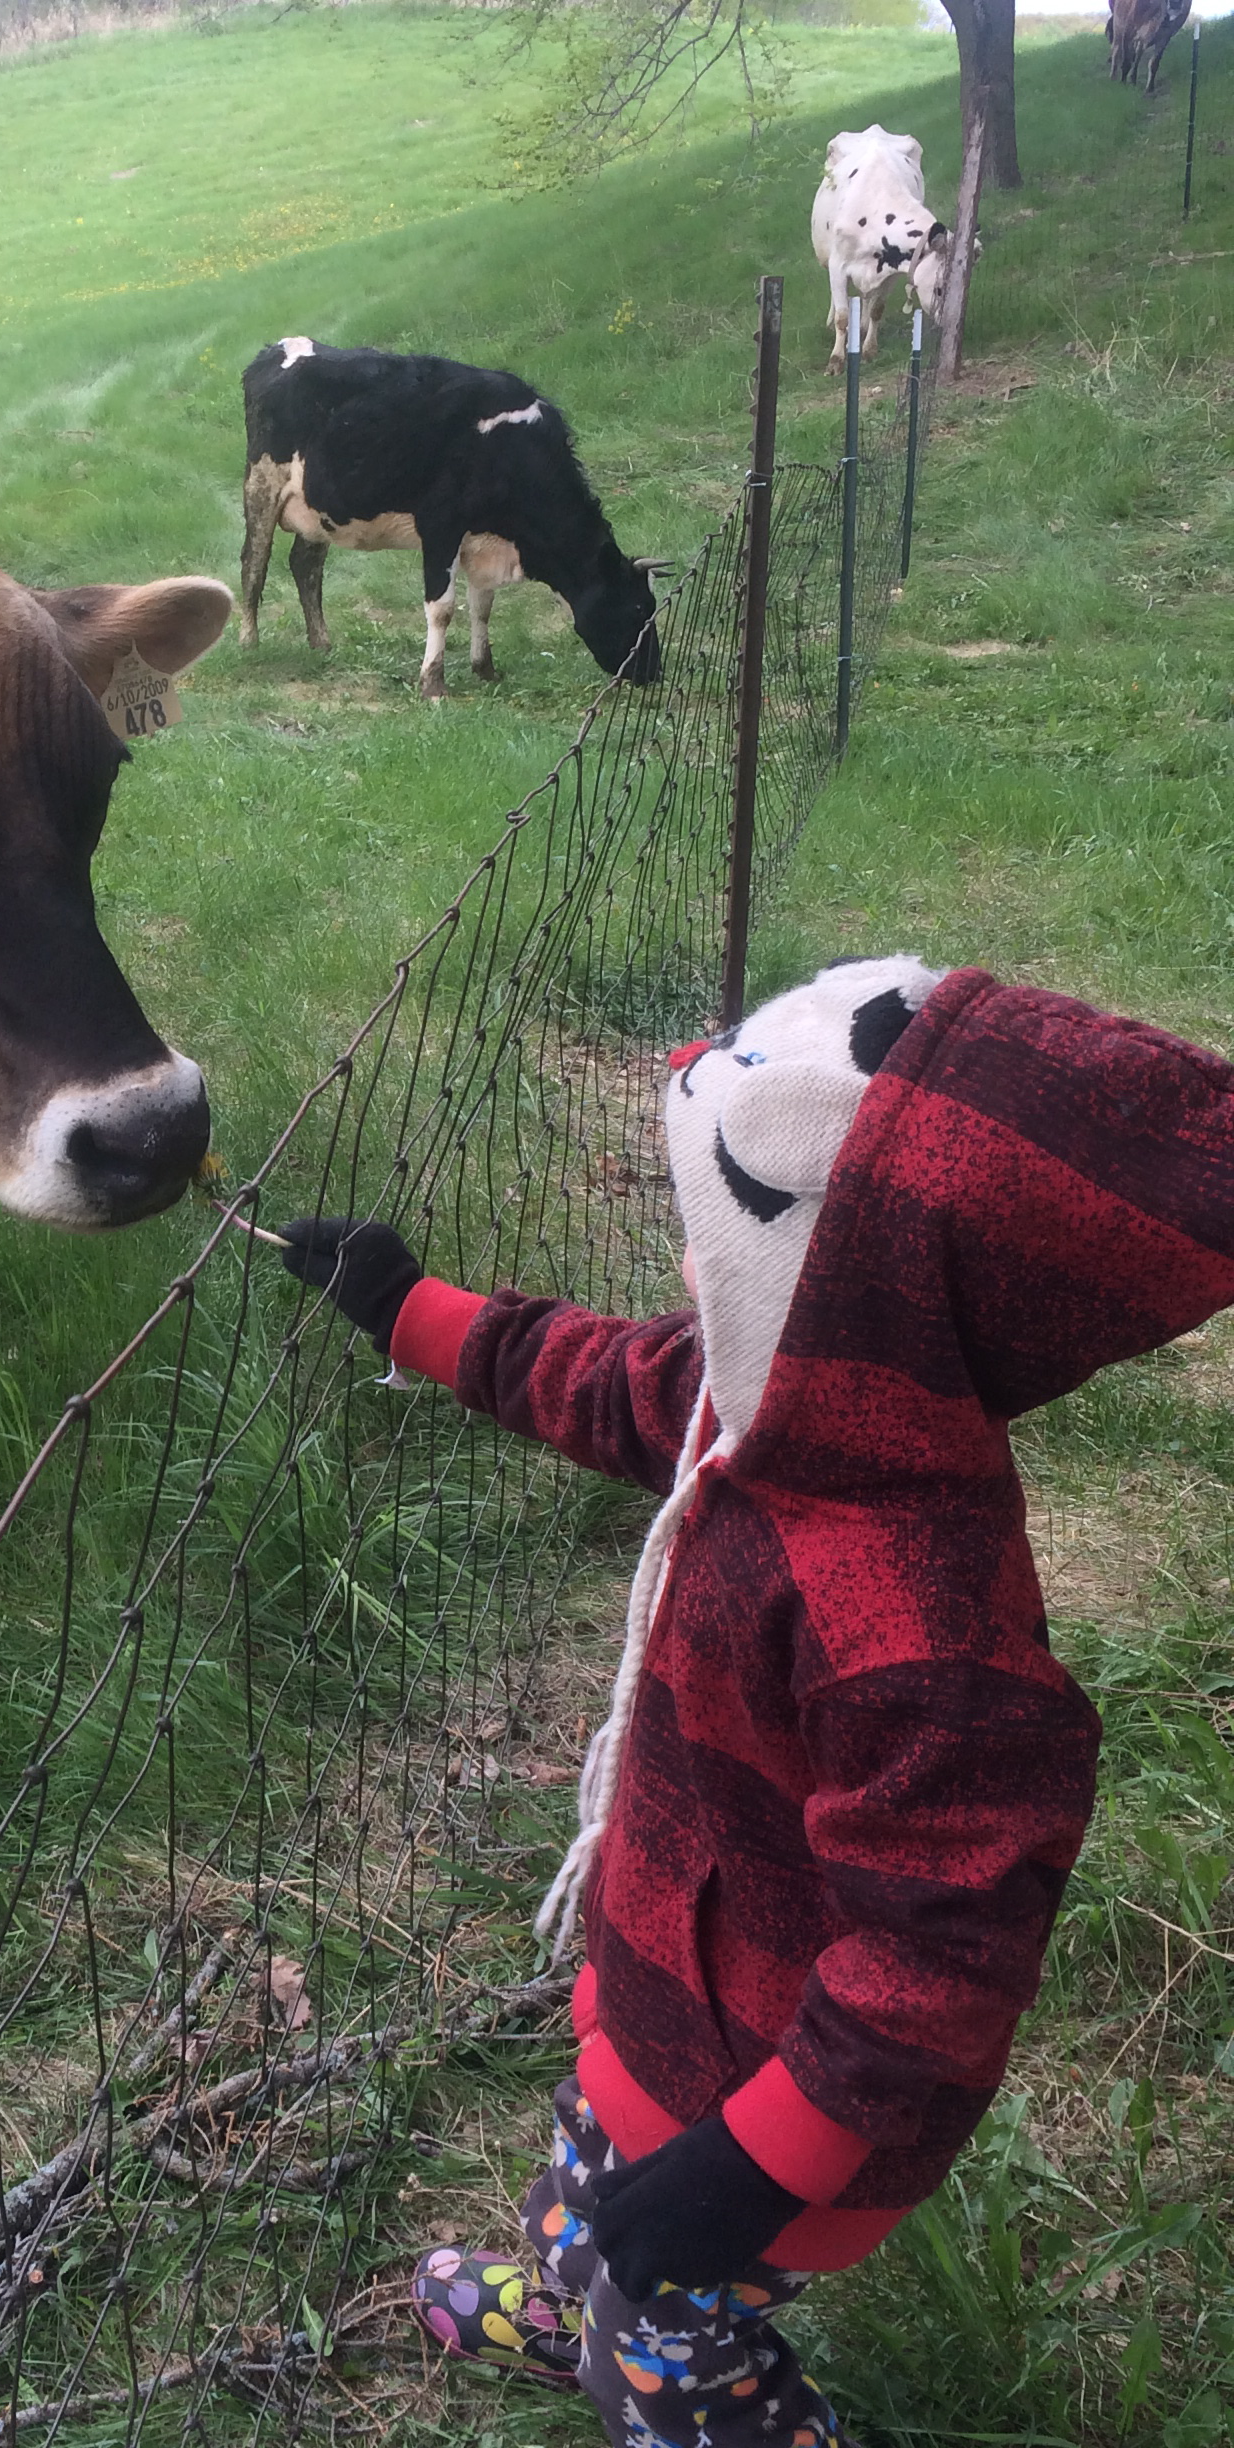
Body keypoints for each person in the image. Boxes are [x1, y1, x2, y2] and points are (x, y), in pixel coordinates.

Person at [277, 955, 1234, 2445]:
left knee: (673, 2325)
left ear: (846, 1286)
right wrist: (416, 1312)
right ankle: (578, 2302)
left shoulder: (915, 1623)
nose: (682, 1272)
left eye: (713, 1235)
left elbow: (942, 1958)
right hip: (668, 1997)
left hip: (781, 2117)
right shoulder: (768, 1413)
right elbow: (607, 1381)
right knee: (588, 2169)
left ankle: (677, 2382)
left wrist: (751, 2168)